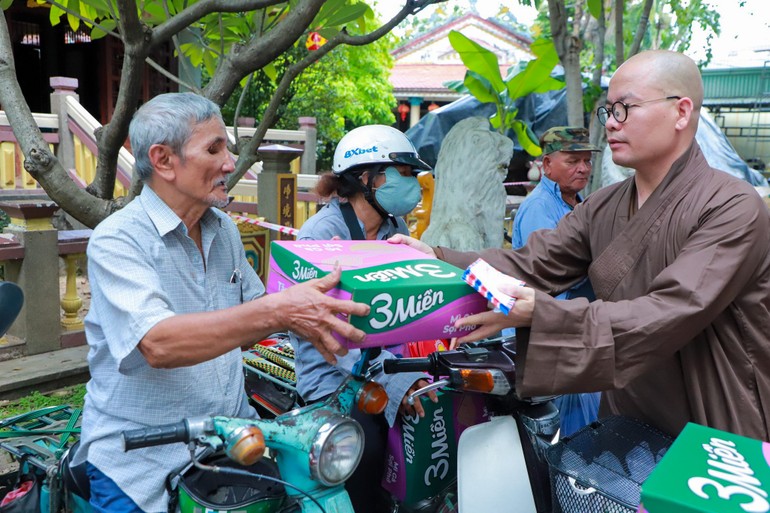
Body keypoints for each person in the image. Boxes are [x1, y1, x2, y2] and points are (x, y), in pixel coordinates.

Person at [390, 50, 770, 441]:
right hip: (630, 413)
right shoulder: (604, 205)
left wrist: (544, 314)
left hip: (715, 415)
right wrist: (437, 257)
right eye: (608, 111)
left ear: (681, 111)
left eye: (625, 108)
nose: (611, 124)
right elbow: (533, 262)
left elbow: (671, 310)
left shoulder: (732, 206)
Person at [74, 92, 370, 513]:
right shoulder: (118, 239)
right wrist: (280, 309)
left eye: (227, 148)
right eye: (214, 149)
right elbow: (158, 344)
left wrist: (349, 287)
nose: (230, 163)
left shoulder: (223, 229)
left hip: (231, 443)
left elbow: (255, 319)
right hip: (140, 458)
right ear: (163, 161)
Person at [290, 124, 438, 513]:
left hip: (388, 368)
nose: (413, 184)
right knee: (367, 448)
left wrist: (412, 371)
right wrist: (397, 380)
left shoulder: (396, 230)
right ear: (366, 178)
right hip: (333, 377)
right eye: (404, 174)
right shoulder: (322, 237)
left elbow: (404, 312)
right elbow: (333, 336)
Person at [511, 126, 599, 435]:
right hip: (553, 332)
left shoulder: (578, 202)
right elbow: (551, 271)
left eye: (587, 161)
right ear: (547, 165)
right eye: (573, 160)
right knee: (563, 431)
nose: (584, 168)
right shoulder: (540, 207)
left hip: (577, 326)